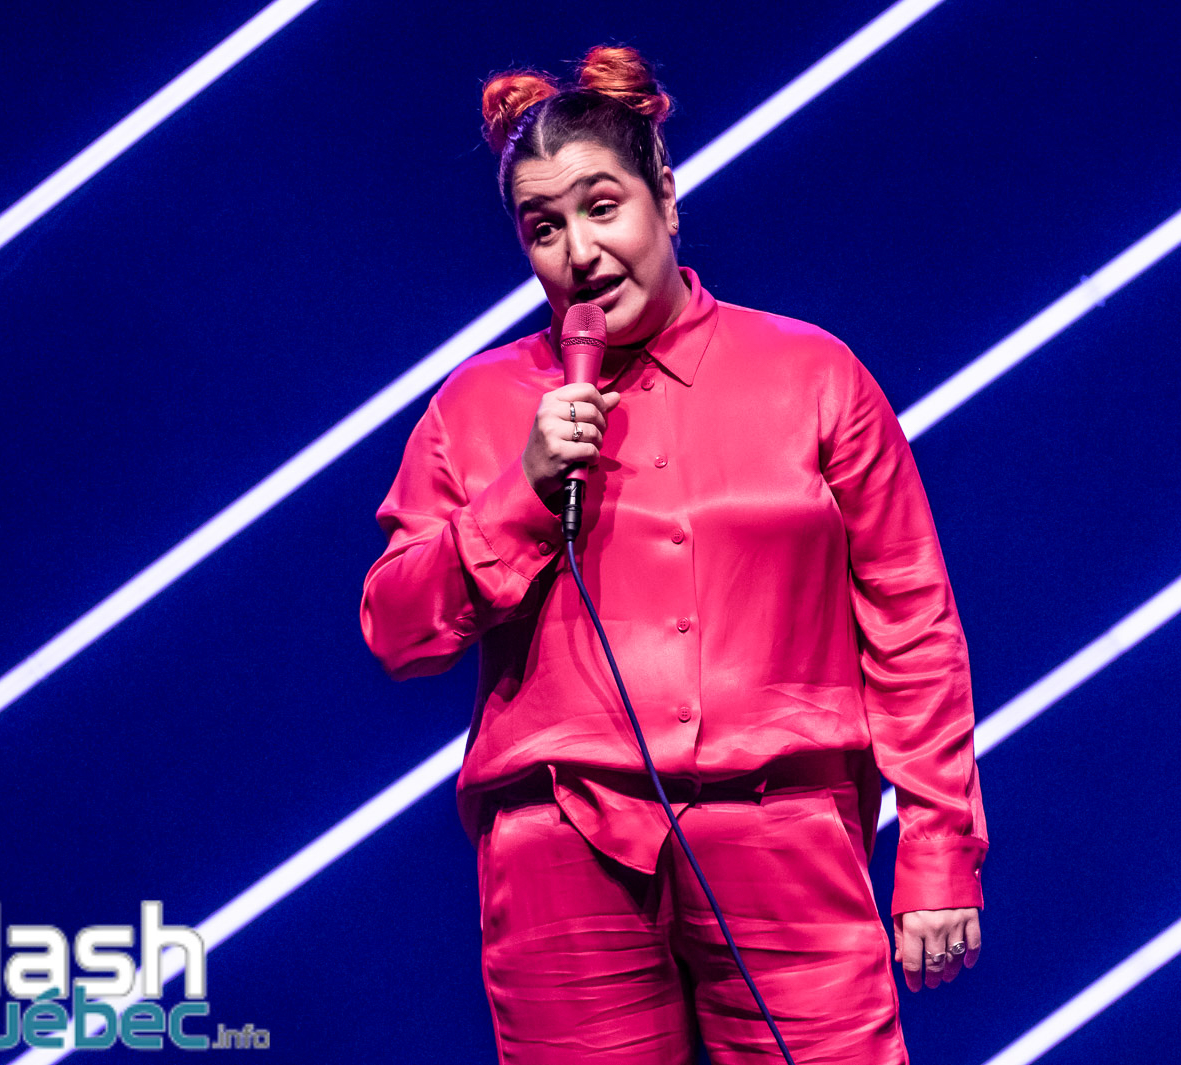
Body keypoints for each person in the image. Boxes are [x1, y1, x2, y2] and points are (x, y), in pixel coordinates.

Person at [361, 43, 987, 1064]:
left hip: (784, 834)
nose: (578, 250)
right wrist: (521, 492)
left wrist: (937, 846)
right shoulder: (478, 405)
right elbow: (396, 628)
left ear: (666, 194)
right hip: (562, 851)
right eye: (544, 228)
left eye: (602, 207)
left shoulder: (813, 374)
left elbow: (911, 623)